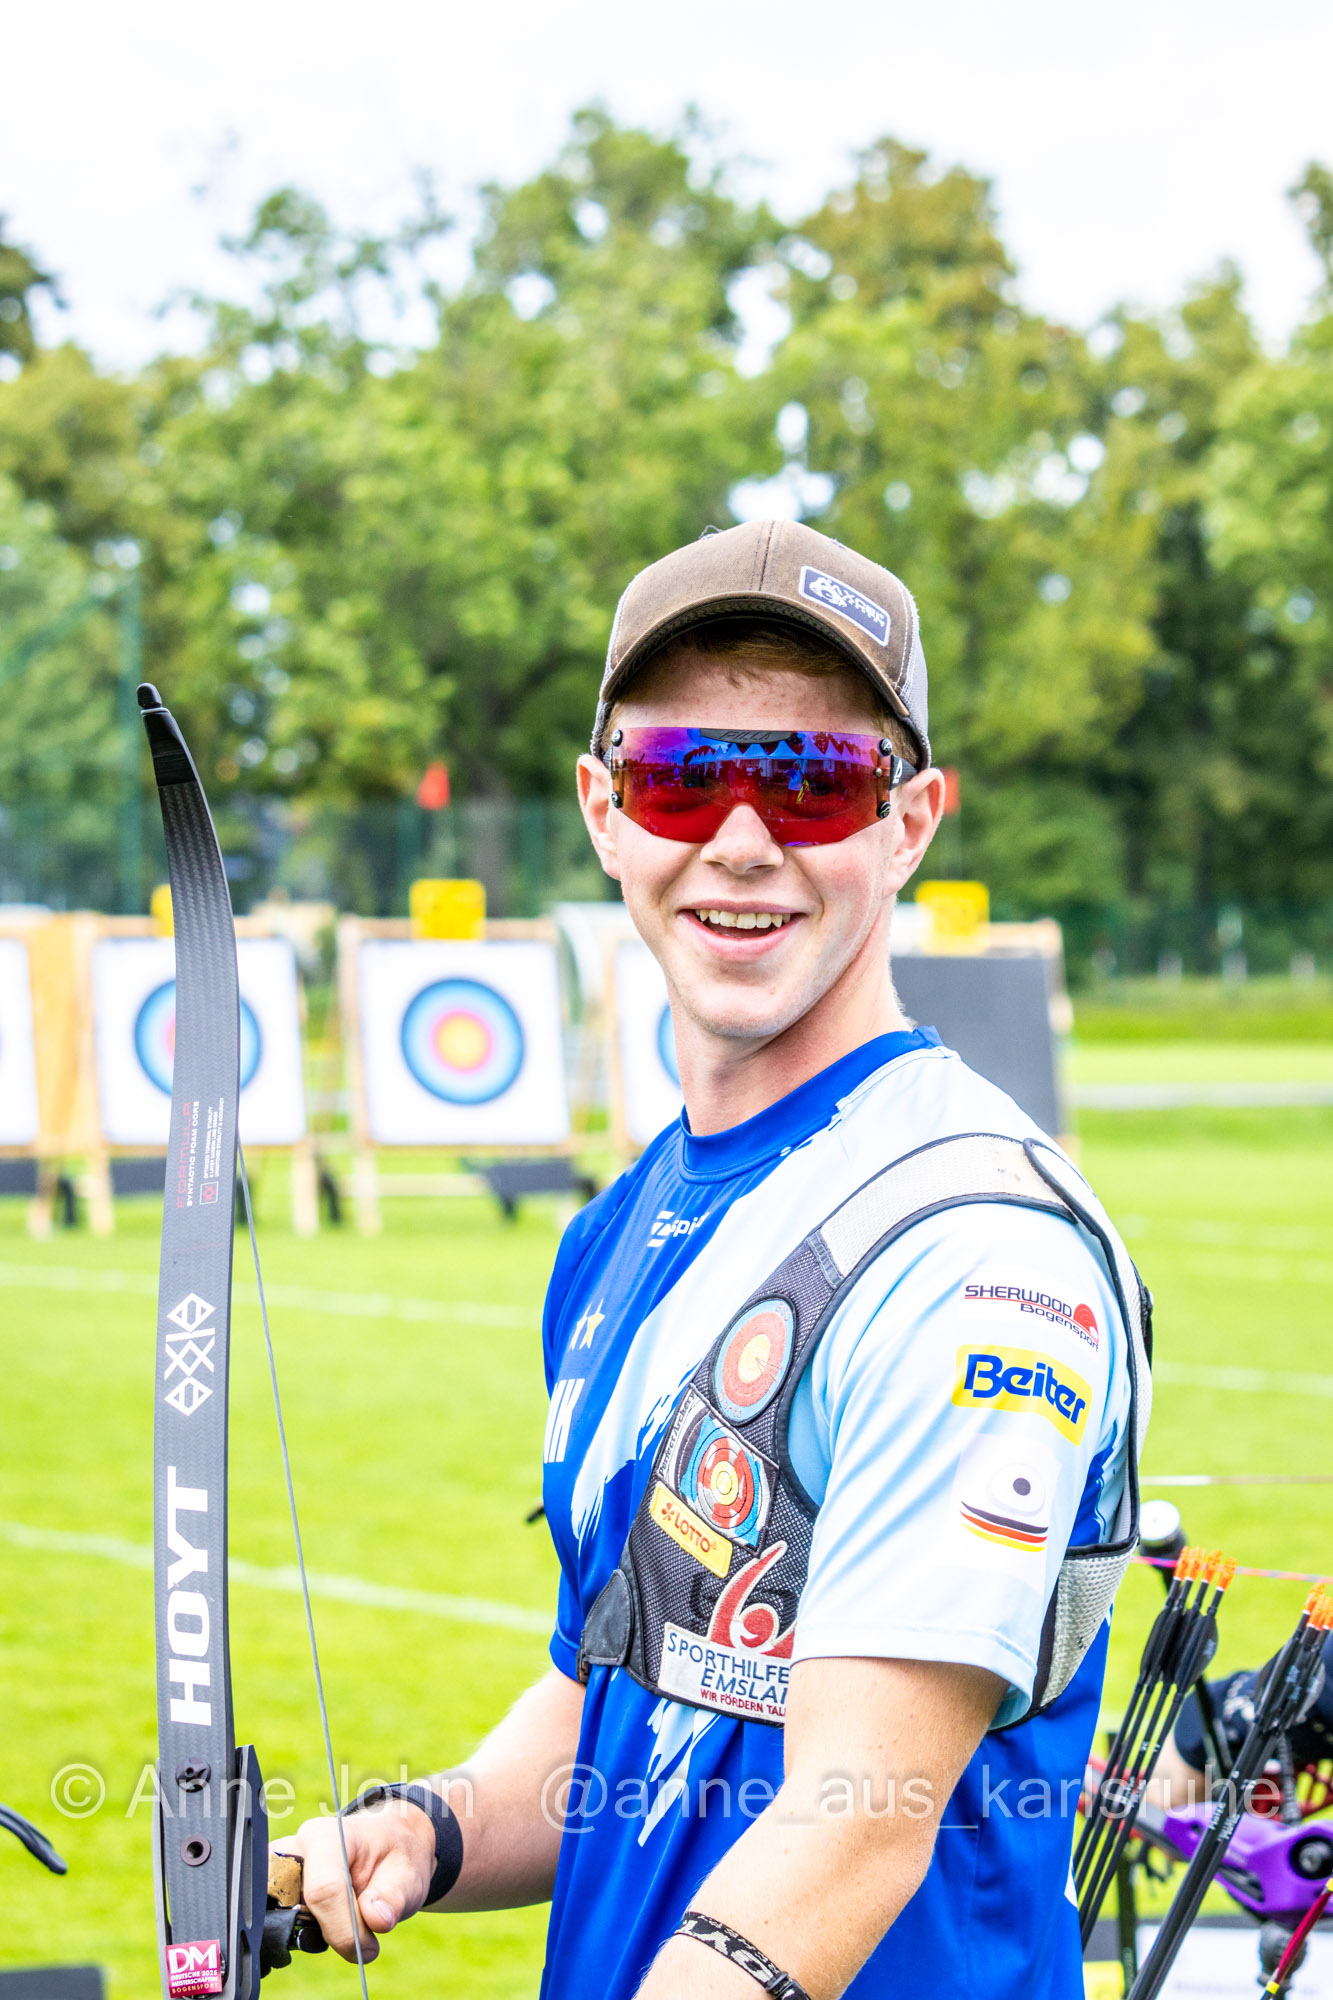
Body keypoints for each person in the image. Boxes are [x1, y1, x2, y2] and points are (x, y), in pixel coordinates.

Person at [282, 519, 1148, 2000]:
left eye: (813, 783)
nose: (741, 841)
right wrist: (432, 1828)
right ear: (605, 810)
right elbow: (624, 1691)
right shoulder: (619, 1229)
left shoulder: (971, 1252)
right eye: (685, 776)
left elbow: (853, 1823)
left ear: (911, 821)